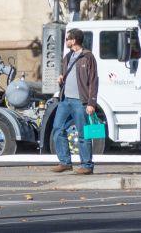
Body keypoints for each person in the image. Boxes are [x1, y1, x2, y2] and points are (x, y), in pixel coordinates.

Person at [51, 28, 99, 175]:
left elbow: (93, 81)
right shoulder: (67, 57)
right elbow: (67, 75)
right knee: (57, 128)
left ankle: (87, 165)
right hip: (65, 100)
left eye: (67, 39)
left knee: (84, 133)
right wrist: (61, 79)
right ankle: (65, 162)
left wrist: (91, 103)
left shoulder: (87, 57)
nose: (66, 41)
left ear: (74, 40)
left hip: (80, 101)